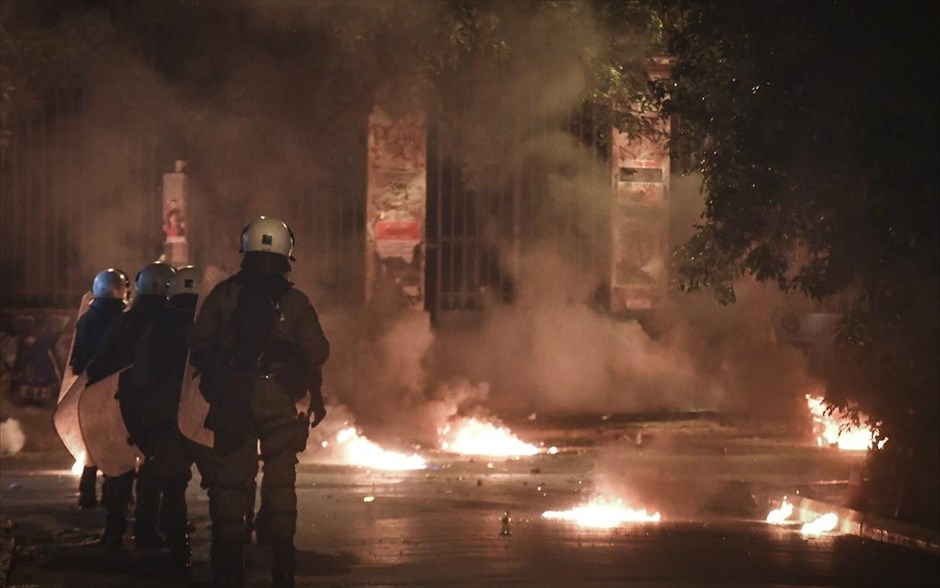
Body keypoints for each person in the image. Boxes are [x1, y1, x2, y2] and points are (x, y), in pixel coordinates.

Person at [190, 217, 329, 588]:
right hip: (277, 400)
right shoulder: (295, 302)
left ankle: (229, 566)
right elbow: (319, 350)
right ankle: (283, 565)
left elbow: (199, 346)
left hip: (232, 399)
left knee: (231, 485)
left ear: (245, 251)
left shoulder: (223, 295)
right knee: (281, 481)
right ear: (287, 254)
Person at [86, 261, 176, 547]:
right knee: (153, 471)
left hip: (122, 406)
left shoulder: (122, 323)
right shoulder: (171, 325)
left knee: (120, 469)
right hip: (159, 410)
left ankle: (114, 530)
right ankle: (146, 532)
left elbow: (99, 367)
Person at [126, 266, 201, 571]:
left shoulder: (155, 328)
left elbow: (140, 377)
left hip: (164, 414)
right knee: (228, 482)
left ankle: (167, 538)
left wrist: (145, 411)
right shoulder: (208, 326)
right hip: (202, 414)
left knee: (166, 475)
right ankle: (226, 548)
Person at [71, 268, 131, 508]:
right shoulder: (126, 320)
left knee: (92, 441)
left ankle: (87, 492)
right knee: (117, 444)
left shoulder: (86, 320)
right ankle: (114, 495)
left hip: (91, 389)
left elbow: (76, 362)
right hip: (118, 390)